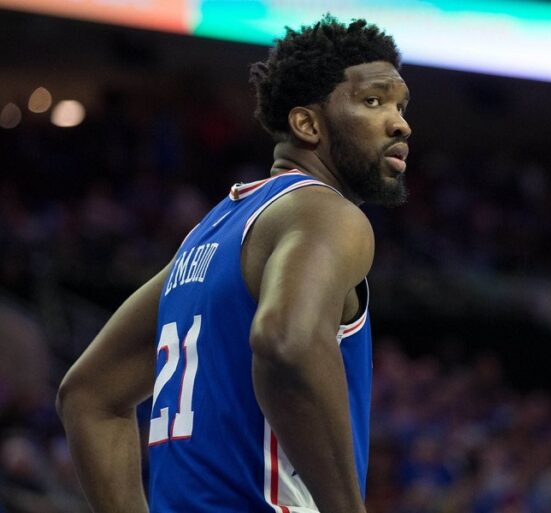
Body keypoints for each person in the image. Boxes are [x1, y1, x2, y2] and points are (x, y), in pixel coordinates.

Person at [56, 14, 411, 513]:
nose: (400, 123)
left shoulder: (207, 238)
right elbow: (285, 344)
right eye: (373, 101)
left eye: (400, 105)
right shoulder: (328, 214)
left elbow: (88, 396)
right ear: (307, 124)